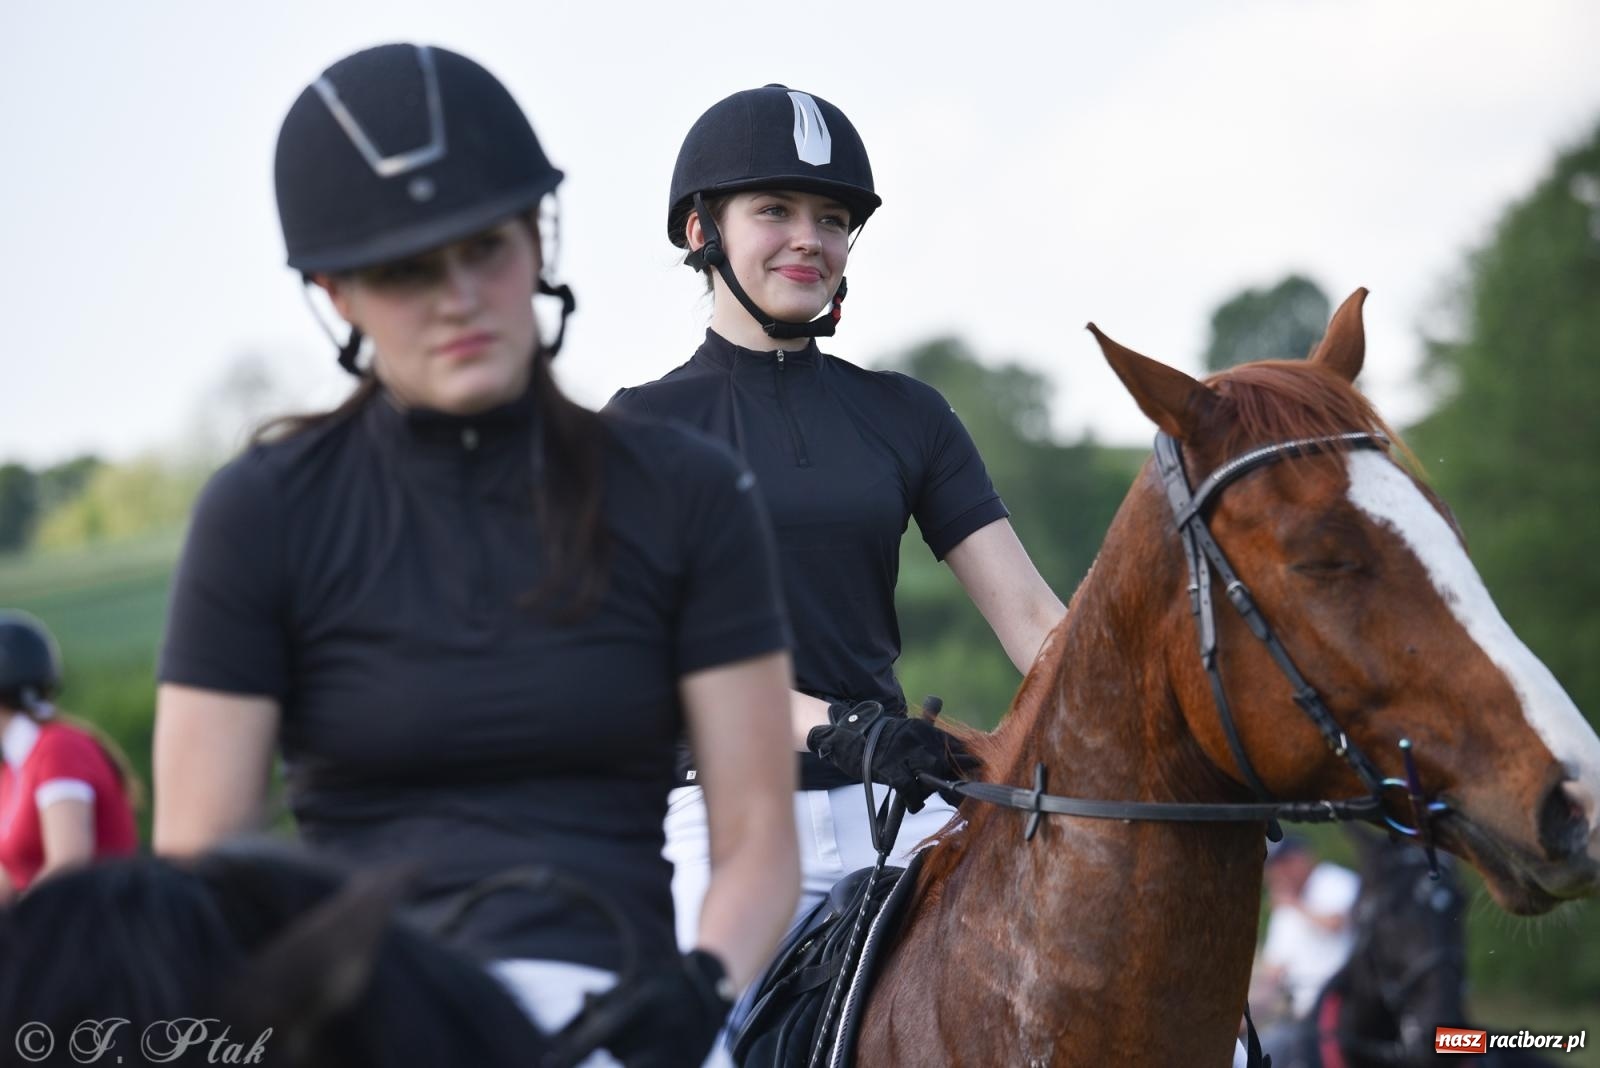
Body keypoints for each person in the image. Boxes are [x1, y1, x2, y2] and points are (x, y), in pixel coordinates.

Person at [152, 44, 798, 1067]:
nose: (458, 296)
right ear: (335, 293)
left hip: (624, 1014)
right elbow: (201, 866)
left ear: (535, 242)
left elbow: (760, 834)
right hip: (366, 1021)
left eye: (484, 248)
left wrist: (700, 993)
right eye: (407, 269)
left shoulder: (688, 494)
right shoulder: (260, 513)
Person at [606, 85, 1066, 948]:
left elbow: (1036, 621)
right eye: (774, 210)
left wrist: (1165, 725)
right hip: (720, 825)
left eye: (831, 217)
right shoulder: (639, 430)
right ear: (702, 231)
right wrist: (837, 726)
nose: (808, 239)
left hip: (893, 813)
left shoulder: (909, 415)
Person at [0, 610, 139, 903]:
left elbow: (69, 866)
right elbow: (9, 878)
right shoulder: (12, 768)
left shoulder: (59, 749)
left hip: (98, 933)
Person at [1251, 836, 1360, 1050]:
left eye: (1284, 863)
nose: (1277, 874)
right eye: (1273, 867)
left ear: (1303, 858)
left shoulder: (1334, 880)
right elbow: (1273, 974)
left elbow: (1335, 923)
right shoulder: (1285, 909)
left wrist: (1293, 903)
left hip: (1348, 1005)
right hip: (1306, 1015)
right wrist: (1244, 1016)